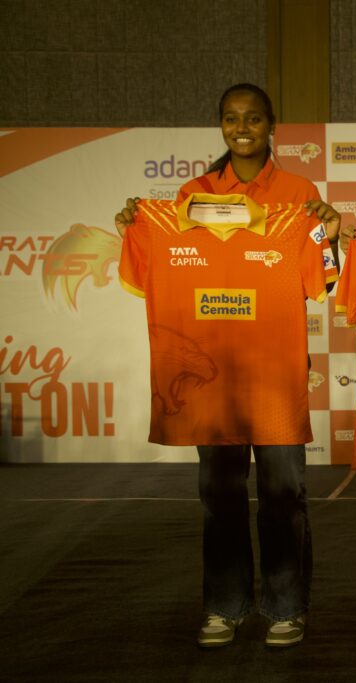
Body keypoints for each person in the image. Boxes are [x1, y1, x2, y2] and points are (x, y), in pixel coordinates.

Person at [115, 83, 342, 649]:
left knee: (283, 491)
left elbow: (323, 279)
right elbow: (150, 272)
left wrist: (329, 234)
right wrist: (135, 229)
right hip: (211, 380)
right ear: (220, 125)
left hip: (274, 375)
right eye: (231, 118)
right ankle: (225, 605)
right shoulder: (190, 194)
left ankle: (286, 607)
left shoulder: (299, 193)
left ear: (272, 126)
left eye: (254, 118)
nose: (242, 127)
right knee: (219, 493)